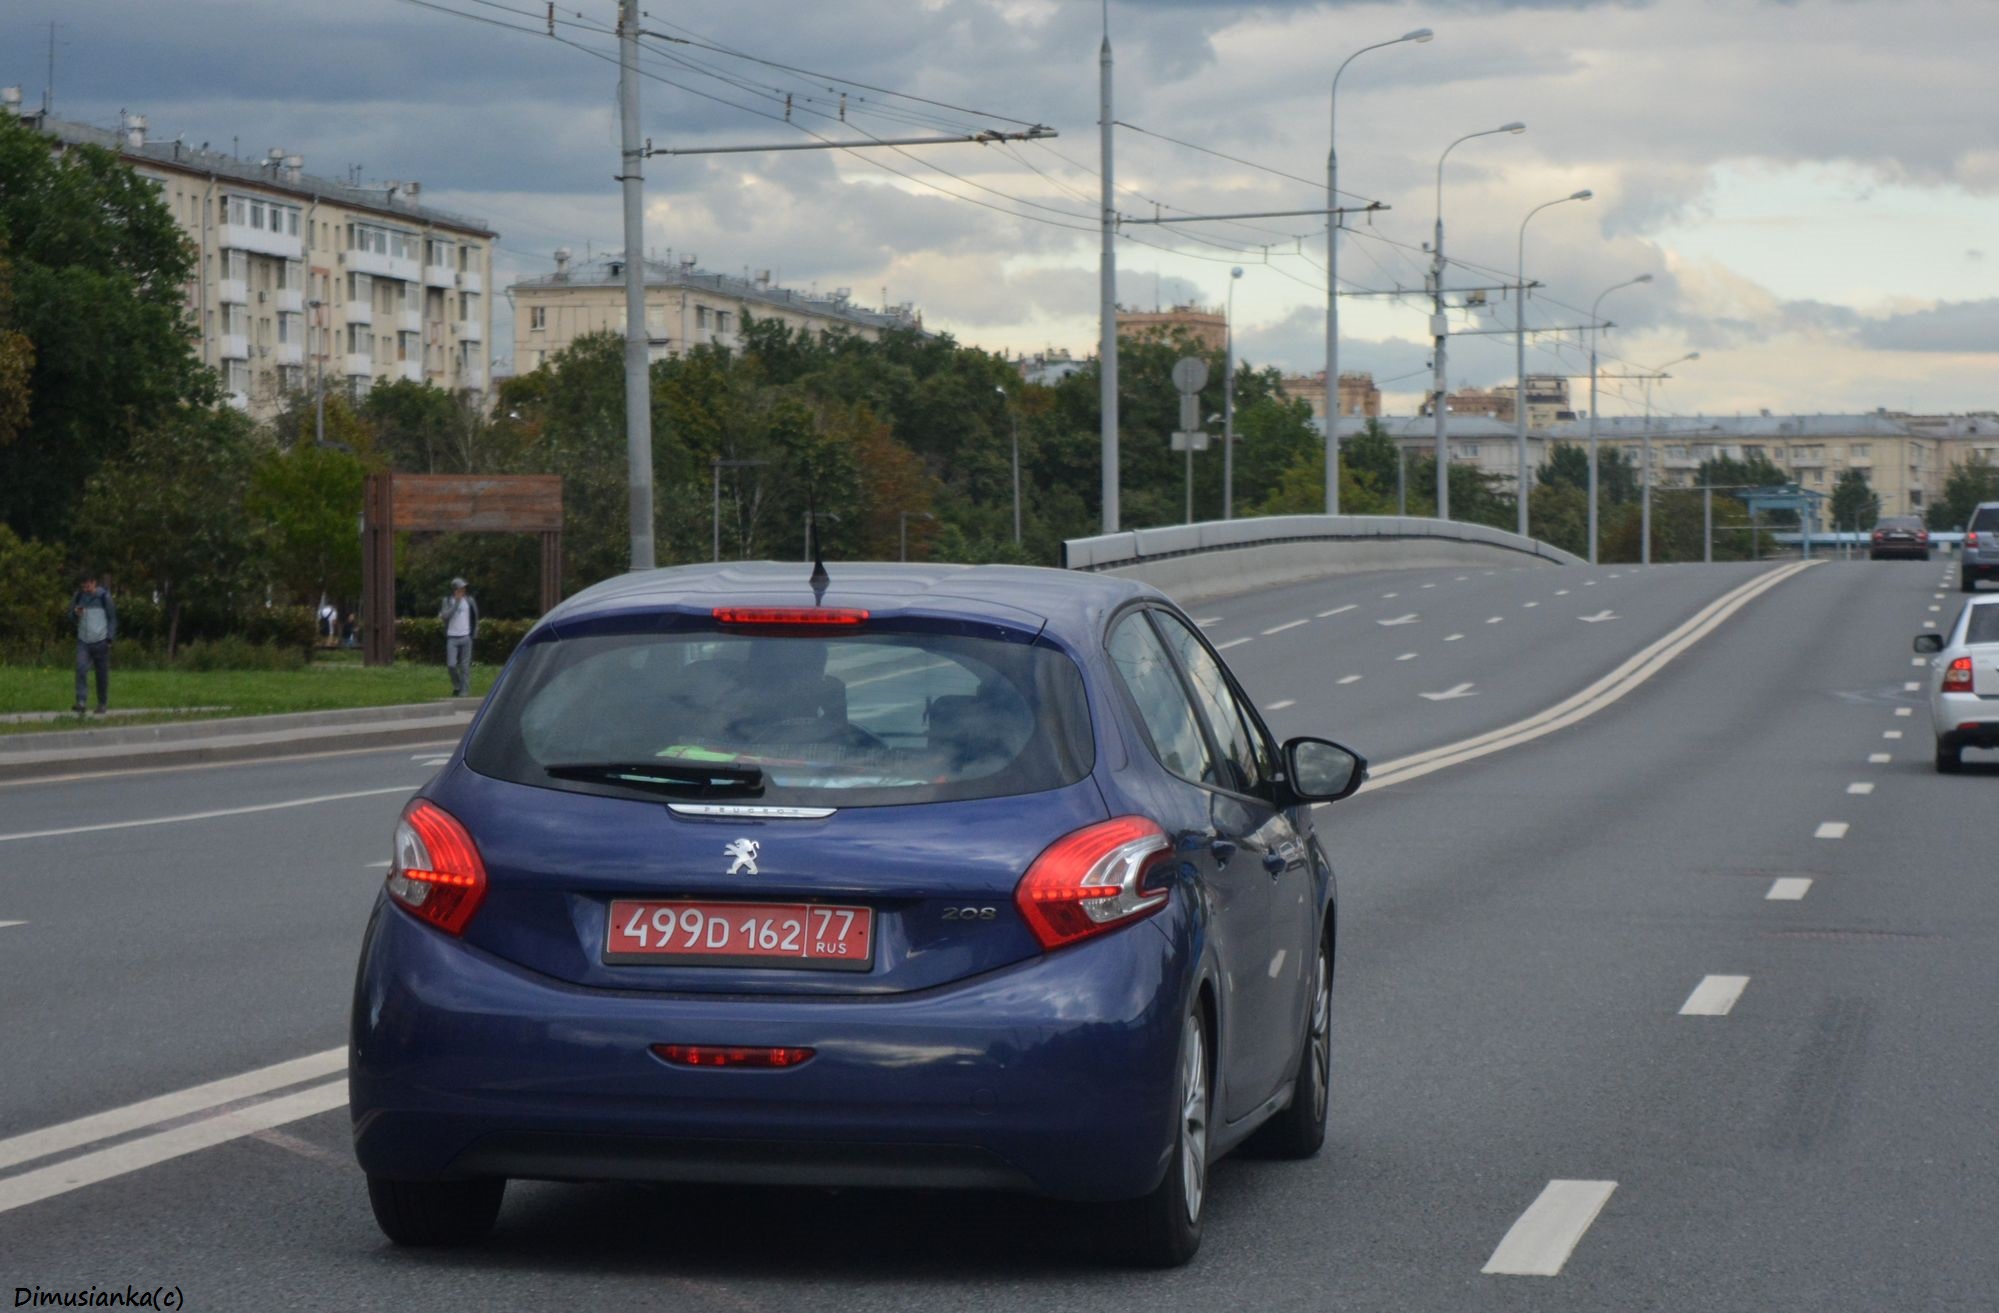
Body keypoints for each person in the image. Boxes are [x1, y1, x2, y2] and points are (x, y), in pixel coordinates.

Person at [71, 572, 117, 715]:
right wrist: (75, 613)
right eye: (84, 586)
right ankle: (81, 702)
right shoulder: (79, 596)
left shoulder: (104, 597)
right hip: (83, 641)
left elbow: (112, 618)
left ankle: (102, 703)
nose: (87, 589)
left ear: (94, 582)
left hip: (100, 641)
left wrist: (109, 638)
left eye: (89, 585)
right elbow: (70, 616)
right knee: (81, 668)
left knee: (101, 674)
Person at [438, 576, 479, 697]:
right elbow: (445, 616)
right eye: (460, 588)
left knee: (465, 666)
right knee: (451, 664)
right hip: (452, 637)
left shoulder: (469, 600)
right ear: (455, 589)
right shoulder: (447, 601)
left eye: (464, 588)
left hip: (466, 636)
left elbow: (475, 616)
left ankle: (464, 691)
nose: (463, 590)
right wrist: (456, 602)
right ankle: (457, 685)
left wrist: (475, 631)